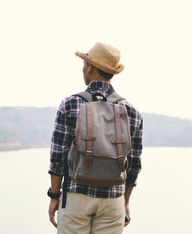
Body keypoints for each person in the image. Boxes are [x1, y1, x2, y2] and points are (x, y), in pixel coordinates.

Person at [48, 42, 143, 234]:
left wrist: (54, 196)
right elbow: (134, 164)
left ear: (90, 67)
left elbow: (58, 156)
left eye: (84, 64)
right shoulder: (132, 112)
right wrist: (124, 202)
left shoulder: (69, 104)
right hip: (113, 199)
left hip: (76, 196)